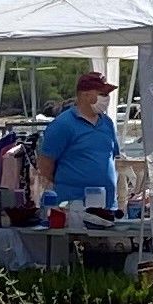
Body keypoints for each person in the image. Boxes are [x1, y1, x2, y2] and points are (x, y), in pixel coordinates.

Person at [35, 70, 122, 212]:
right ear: (85, 95)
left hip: (107, 206)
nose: (107, 98)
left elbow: (112, 158)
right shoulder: (63, 124)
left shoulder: (107, 123)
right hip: (74, 208)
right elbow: (45, 166)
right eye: (103, 94)